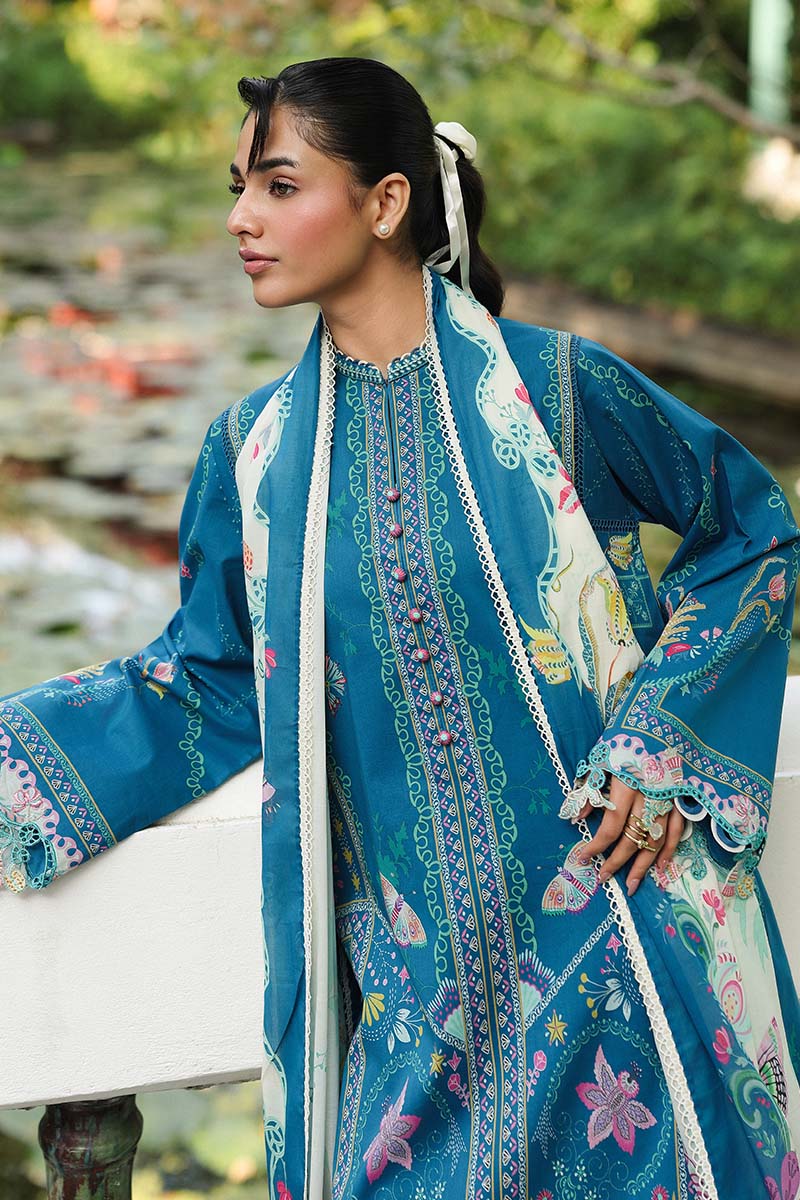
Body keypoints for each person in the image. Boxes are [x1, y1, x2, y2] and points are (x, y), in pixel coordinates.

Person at [1, 55, 799, 1200]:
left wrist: (659, 741)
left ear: (384, 203)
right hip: (414, 1030)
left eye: (279, 186)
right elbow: (211, 682)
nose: (239, 219)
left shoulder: (553, 393)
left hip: (621, 970)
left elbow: (750, 535)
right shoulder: (253, 456)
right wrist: (19, 761)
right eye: (238, 188)